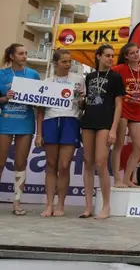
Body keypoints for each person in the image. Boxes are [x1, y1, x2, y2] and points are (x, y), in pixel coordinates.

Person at [37, 49, 85, 217]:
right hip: (50, 121)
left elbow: (82, 105)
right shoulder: (47, 81)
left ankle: (60, 204)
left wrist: (82, 100)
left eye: (69, 61)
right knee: (51, 165)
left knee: (64, 166)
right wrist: (39, 134)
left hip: (70, 121)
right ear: (56, 63)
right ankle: (49, 204)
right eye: (64, 61)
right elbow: (40, 110)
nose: (68, 64)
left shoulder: (79, 80)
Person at [81, 44, 125, 219]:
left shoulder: (115, 77)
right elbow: (86, 100)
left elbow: (119, 104)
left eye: (112, 56)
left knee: (101, 162)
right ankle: (88, 207)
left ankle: (106, 206)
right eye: (107, 55)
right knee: (88, 162)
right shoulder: (89, 77)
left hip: (105, 123)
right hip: (88, 121)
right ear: (98, 56)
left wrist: (114, 129)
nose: (110, 59)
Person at [0, 43, 40, 215]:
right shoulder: (2, 74)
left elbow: (40, 102)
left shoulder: (33, 74)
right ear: (12, 56)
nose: (24, 56)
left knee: (20, 163)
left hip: (25, 123)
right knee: (0, 163)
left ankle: (16, 202)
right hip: (6, 123)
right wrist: (5, 98)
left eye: (26, 53)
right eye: (21, 53)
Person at [112, 42, 140, 188]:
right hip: (123, 110)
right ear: (126, 56)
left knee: (139, 146)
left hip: (138, 110)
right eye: (132, 53)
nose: (135, 54)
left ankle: (127, 178)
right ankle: (117, 179)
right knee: (119, 146)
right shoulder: (120, 68)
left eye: (137, 51)